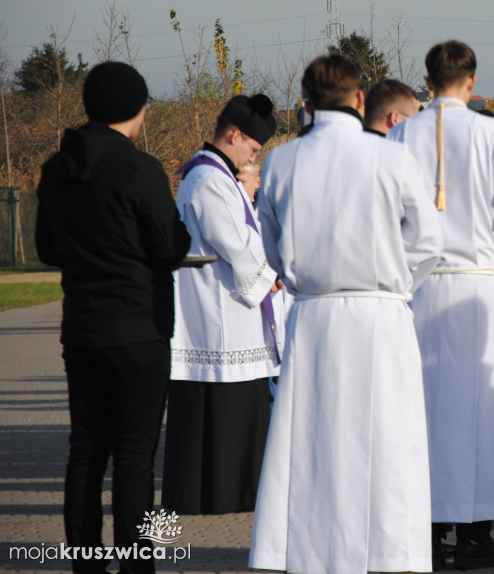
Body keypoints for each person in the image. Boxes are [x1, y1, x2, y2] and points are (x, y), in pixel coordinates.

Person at [250, 55, 442, 574]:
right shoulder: (392, 156)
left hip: (315, 316)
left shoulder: (282, 161)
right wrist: (396, 284)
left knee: (316, 438)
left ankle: (316, 552)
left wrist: (305, 278)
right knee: (388, 440)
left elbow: (271, 244)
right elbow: (428, 242)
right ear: (360, 99)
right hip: (381, 314)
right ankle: (389, 553)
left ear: (307, 104)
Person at [388, 40, 494, 570]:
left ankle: (426, 536)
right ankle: (475, 537)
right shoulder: (492, 133)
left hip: (421, 290)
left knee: (425, 412)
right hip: (478, 290)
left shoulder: (401, 134)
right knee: (484, 416)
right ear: (472, 82)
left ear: (427, 82)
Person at [36, 62, 192, 574]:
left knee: (85, 450)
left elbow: (46, 248)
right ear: (136, 108)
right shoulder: (139, 169)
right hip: (139, 329)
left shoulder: (56, 168)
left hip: (82, 329)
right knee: (135, 457)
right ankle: (137, 563)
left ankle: (85, 560)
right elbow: (169, 246)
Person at [163, 93, 282, 515]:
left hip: (226, 308)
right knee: (223, 407)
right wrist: (270, 276)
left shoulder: (217, 175)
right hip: (219, 314)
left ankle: (225, 494)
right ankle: (223, 495)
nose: (253, 156)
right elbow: (234, 242)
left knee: (229, 411)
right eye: (254, 148)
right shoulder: (208, 178)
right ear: (234, 135)